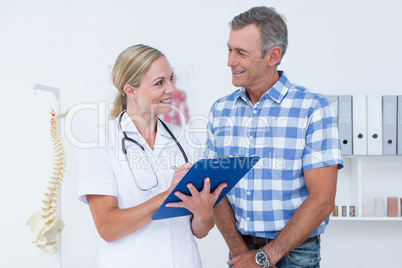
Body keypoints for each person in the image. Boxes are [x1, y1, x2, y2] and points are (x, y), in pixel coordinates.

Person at [204, 6, 343, 268]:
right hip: (240, 249)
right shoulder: (220, 110)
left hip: (296, 255)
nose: (230, 61)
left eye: (241, 52)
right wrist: (239, 252)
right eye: (230, 49)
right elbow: (215, 186)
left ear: (273, 55)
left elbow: (322, 199)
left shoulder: (312, 108)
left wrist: (265, 257)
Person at [78, 44, 226, 268]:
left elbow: (200, 230)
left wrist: (204, 212)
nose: (171, 89)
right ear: (130, 90)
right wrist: (169, 195)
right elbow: (108, 228)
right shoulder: (99, 139)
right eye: (159, 83)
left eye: (171, 78)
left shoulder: (185, 139)